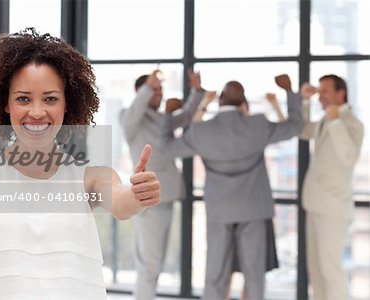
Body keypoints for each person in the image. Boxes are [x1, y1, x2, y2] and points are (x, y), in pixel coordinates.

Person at [0, 28, 161, 300]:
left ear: (67, 104)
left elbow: (121, 204)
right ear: (5, 104)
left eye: (50, 98)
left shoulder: (91, 177)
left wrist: (138, 195)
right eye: (23, 99)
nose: (37, 112)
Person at [160, 74, 303, 300]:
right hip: (253, 208)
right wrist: (289, 91)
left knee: (215, 274)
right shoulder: (258, 124)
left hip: (219, 209)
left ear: (220, 101)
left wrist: (167, 115)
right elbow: (295, 127)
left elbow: (166, 149)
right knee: (254, 275)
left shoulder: (202, 131)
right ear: (243, 102)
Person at [120, 69, 204, 300]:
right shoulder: (130, 117)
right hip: (148, 201)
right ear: (141, 91)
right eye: (154, 90)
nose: (159, 94)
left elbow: (185, 116)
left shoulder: (161, 118)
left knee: (153, 263)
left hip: (165, 198)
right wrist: (149, 85)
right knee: (149, 264)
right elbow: (135, 111)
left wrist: (196, 91)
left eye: (160, 90)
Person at [300, 75, 364, 300]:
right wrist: (306, 103)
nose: (320, 96)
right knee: (316, 272)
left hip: (333, 210)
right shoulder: (325, 120)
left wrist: (336, 121)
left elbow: (348, 157)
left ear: (340, 94)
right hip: (315, 205)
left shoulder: (351, 123)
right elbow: (304, 130)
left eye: (324, 91)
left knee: (331, 271)